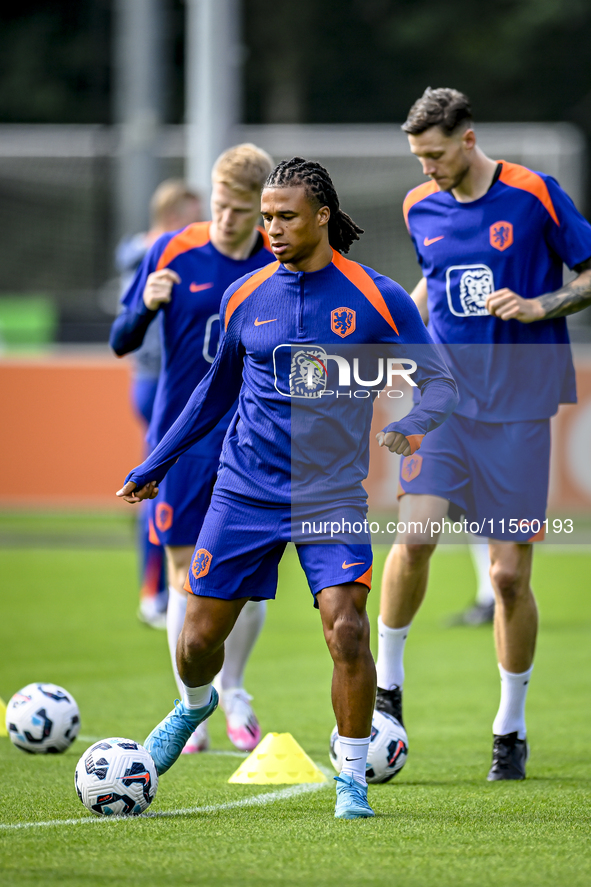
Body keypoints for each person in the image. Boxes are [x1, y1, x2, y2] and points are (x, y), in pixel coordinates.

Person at [116, 156, 458, 819]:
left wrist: (411, 424)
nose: (270, 228)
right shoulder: (245, 295)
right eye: (266, 216)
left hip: (329, 497)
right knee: (194, 644)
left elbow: (439, 380)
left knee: (348, 631)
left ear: (321, 217)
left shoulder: (375, 295)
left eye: (284, 216)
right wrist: (155, 463)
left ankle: (351, 781)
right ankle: (194, 705)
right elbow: (209, 396)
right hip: (243, 491)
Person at [376, 87, 591, 780]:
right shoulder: (418, 206)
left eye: (434, 155)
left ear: (467, 139)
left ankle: (510, 725)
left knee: (505, 576)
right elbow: (433, 281)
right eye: (417, 158)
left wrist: (538, 304)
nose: (425, 170)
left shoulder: (534, 194)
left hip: (519, 409)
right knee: (414, 537)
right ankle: (386, 688)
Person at [111, 145, 276, 753]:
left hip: (254, 441)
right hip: (181, 442)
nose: (225, 218)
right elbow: (121, 339)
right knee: (184, 572)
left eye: (239, 210)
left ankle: (233, 689)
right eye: (218, 205)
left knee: (249, 575)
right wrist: (147, 305)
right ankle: (193, 708)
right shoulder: (172, 250)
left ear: (261, 210)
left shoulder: (278, 264)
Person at [116, 179, 203, 630]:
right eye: (195, 212)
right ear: (172, 217)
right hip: (161, 382)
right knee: (162, 482)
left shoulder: (147, 256)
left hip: (159, 381)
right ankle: (156, 593)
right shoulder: (157, 258)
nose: (203, 221)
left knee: (168, 481)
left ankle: (169, 589)